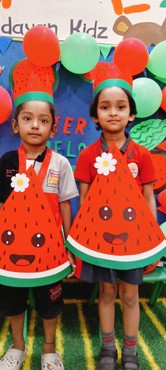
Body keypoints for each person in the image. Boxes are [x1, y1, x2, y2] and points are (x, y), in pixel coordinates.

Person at [74, 66, 157, 370]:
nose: (113, 113)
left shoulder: (143, 156)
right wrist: (81, 244)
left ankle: (131, 352)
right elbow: (83, 201)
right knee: (107, 292)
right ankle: (107, 349)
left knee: (130, 295)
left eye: (121, 107)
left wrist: (152, 244)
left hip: (133, 242)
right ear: (95, 116)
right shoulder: (87, 156)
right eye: (105, 107)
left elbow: (148, 198)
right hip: (99, 242)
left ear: (132, 115)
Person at [0, 59, 78, 370]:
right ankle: (17, 346)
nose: (35, 125)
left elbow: (64, 206)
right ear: (15, 124)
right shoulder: (6, 160)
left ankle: (49, 350)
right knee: (12, 303)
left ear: (53, 127)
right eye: (28, 118)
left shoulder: (60, 164)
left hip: (50, 254)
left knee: (50, 305)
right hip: (10, 253)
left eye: (43, 120)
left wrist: (69, 247)